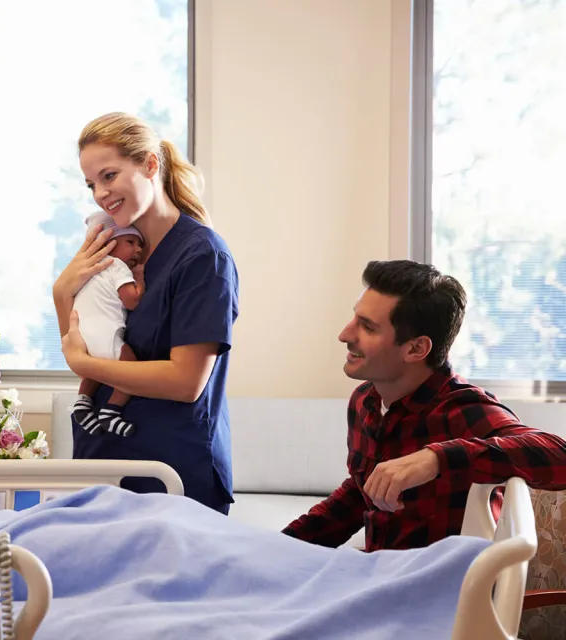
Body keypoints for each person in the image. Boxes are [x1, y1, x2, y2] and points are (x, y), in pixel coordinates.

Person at [283, 259, 566, 552]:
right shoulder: (364, 402)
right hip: (378, 573)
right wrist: (278, 547)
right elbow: (360, 495)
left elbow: (559, 454)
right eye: (355, 318)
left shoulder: (463, 409)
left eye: (367, 327)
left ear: (416, 349)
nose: (345, 335)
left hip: (441, 590)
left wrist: (435, 459)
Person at [53, 112, 240, 515]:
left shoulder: (203, 257)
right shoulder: (112, 250)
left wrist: (82, 362)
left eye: (109, 175)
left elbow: (185, 381)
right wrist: (61, 292)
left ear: (151, 164)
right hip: (103, 458)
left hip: (171, 471)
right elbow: (86, 347)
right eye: (91, 184)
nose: (100, 193)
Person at [71, 209, 146, 438]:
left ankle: (82, 404)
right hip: (106, 330)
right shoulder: (116, 266)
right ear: (109, 244)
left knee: (94, 371)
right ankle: (112, 411)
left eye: (140, 244)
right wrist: (140, 277)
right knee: (130, 367)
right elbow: (131, 301)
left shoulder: (86, 271)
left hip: (84, 333)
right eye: (131, 242)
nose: (139, 250)